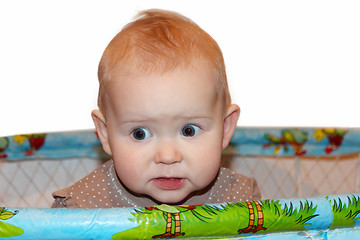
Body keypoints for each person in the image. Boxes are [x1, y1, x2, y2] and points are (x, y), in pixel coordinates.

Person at [52, 9, 261, 208]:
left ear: (226, 128)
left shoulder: (243, 201)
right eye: (140, 133)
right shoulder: (81, 207)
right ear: (105, 134)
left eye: (189, 130)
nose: (168, 156)